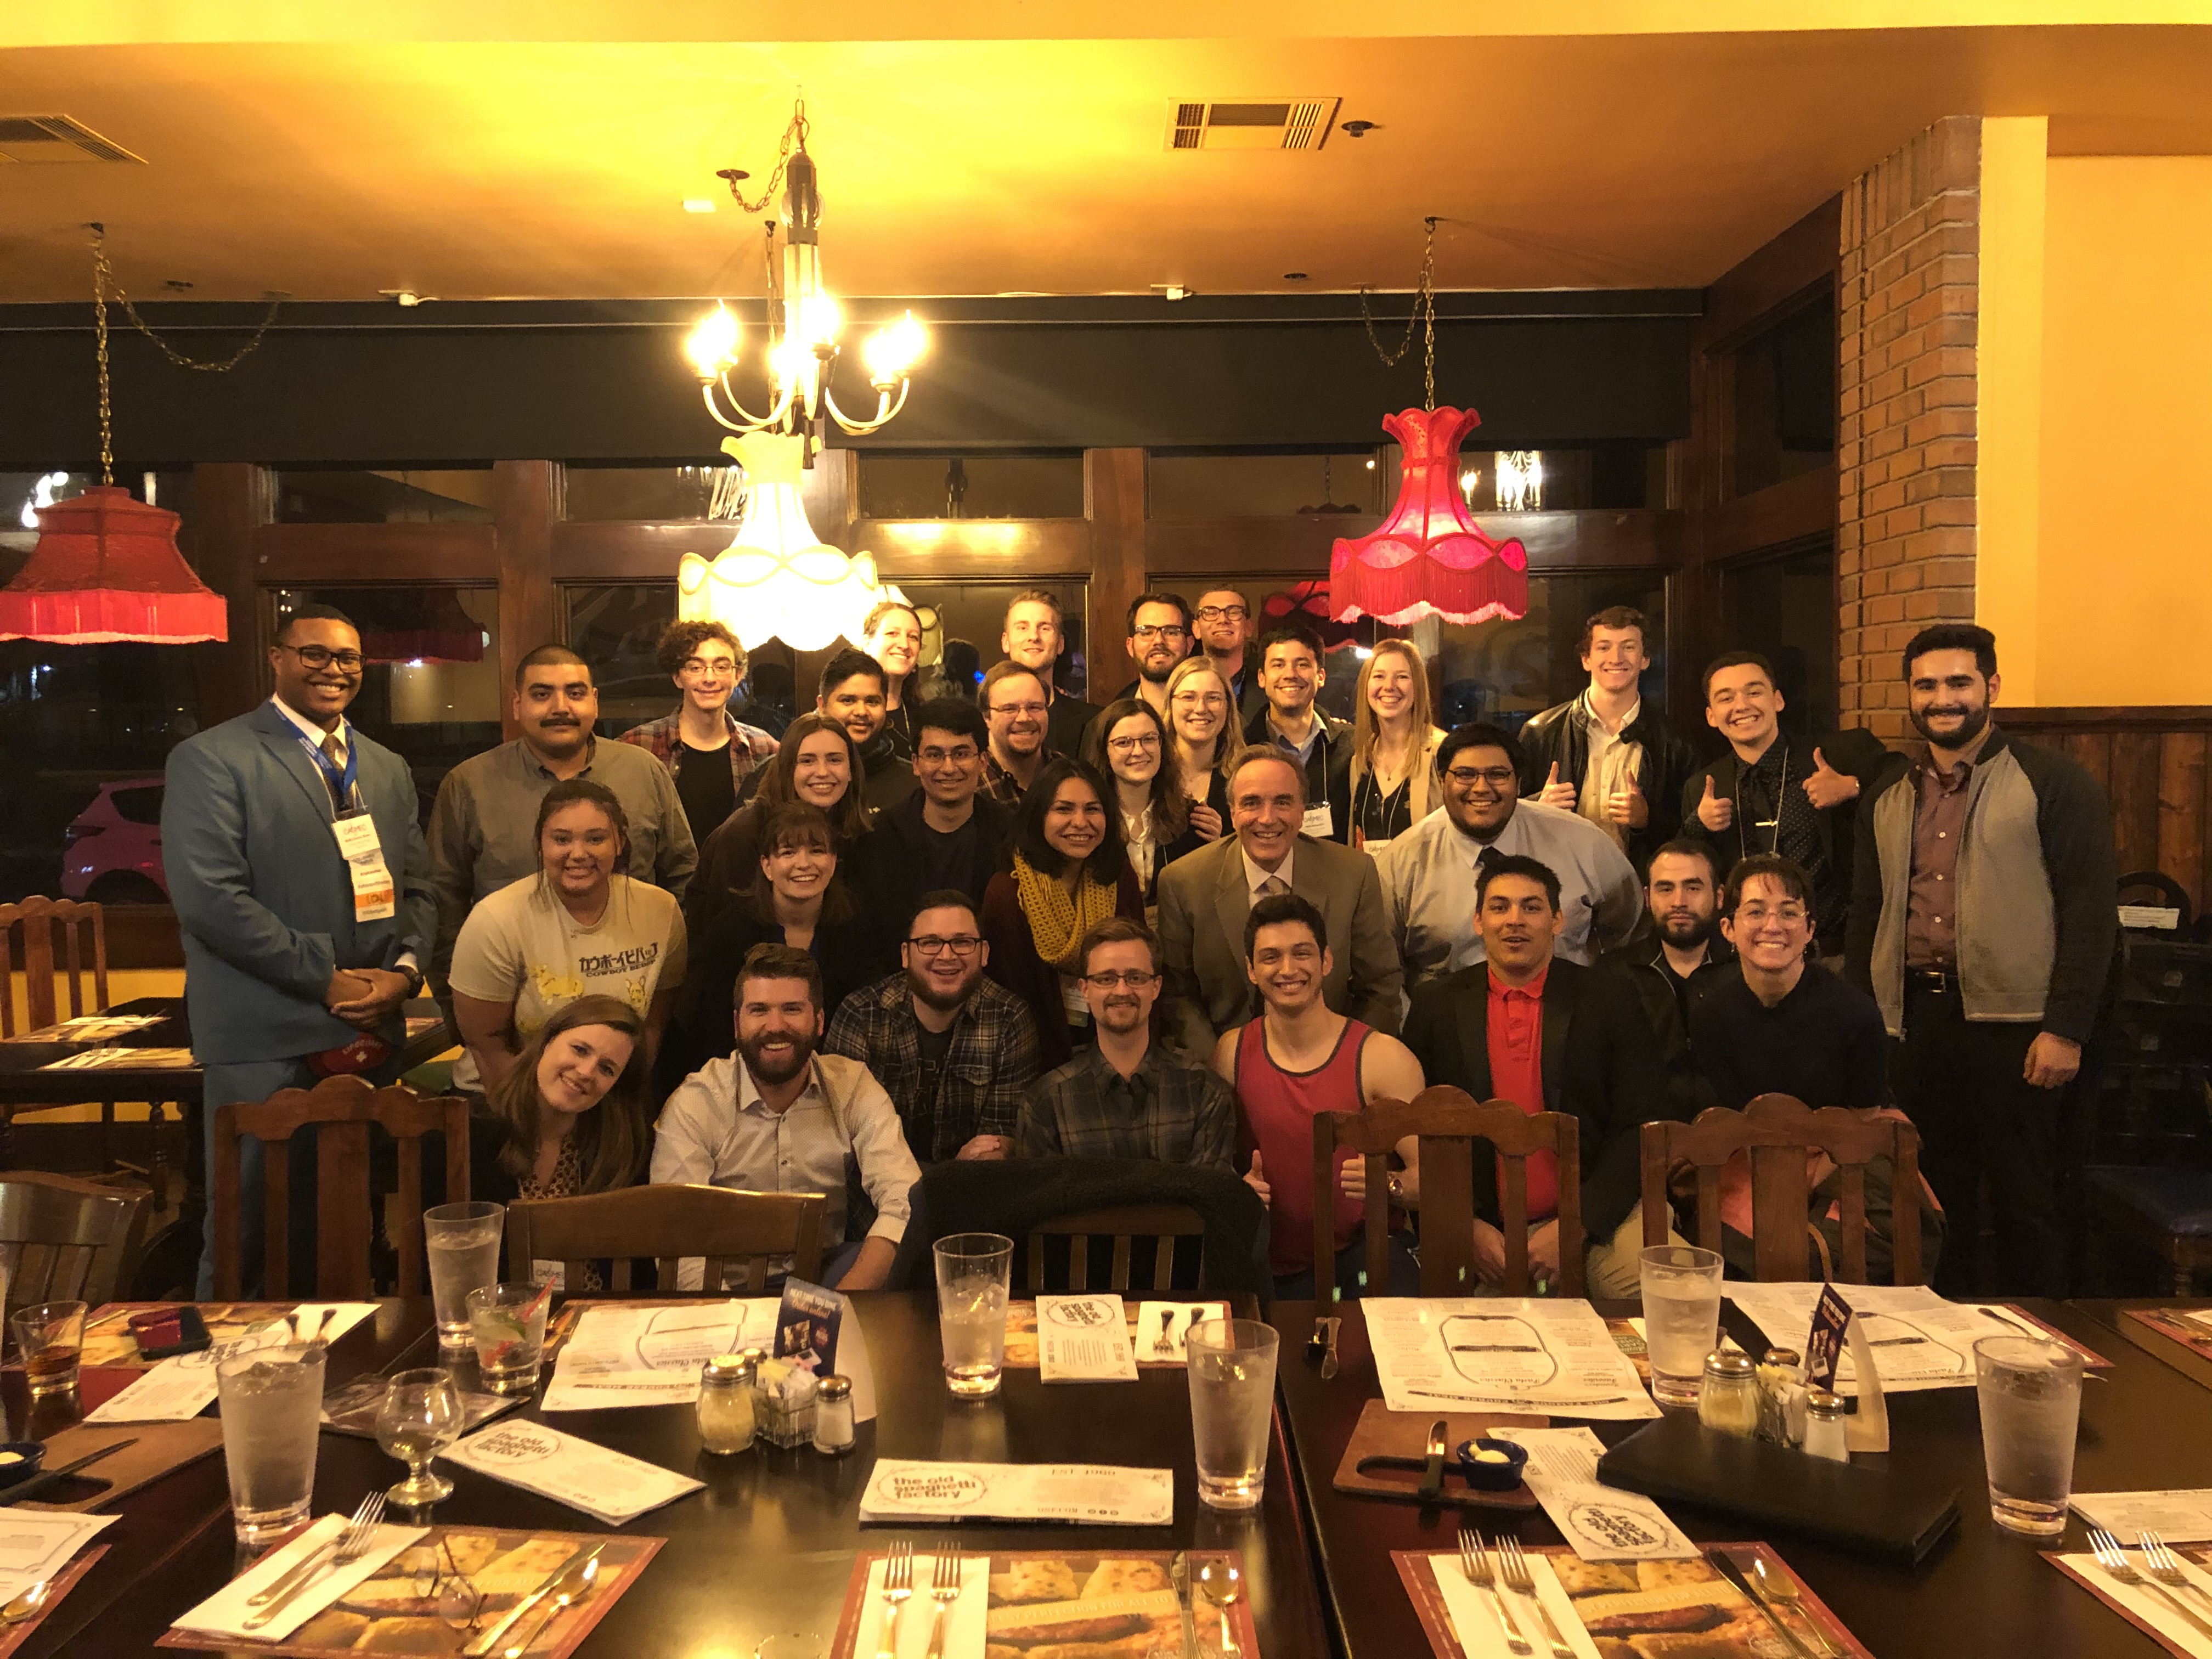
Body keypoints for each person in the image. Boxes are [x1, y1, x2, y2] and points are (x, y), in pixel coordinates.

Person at [163, 603, 435, 1296]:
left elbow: (418, 889)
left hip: (371, 1032)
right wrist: (327, 979)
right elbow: (212, 902)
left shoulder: (385, 766)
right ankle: (222, 1393)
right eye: (314, 654)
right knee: (250, 1234)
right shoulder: (212, 759)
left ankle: (338, 1387)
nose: (333, 670)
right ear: (278, 658)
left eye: (347, 658)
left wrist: (402, 976)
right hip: (265, 1038)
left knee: (347, 1233)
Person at [1848, 623, 2118, 1296]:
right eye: (1927, 685)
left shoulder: (2054, 781)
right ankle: (1952, 1359)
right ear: (1911, 695)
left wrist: (2066, 1028)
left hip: (2020, 1027)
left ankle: (2052, 1356)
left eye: (1959, 682)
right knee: (1937, 1206)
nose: (1943, 698)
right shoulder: (1888, 794)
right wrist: (1863, 1027)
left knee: (2031, 1204)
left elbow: (2090, 914)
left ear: (1991, 687)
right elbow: (1866, 913)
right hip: (1915, 1023)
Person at [1402, 854, 1674, 1297]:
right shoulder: (1436, 1007)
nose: (1515, 921)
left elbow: (1641, 1128)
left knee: (1667, 1293)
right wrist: (1462, 1223)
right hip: (1476, 1227)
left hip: (1597, 1221)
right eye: (1499, 907)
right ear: (1477, 921)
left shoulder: (1610, 1000)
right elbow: (1415, 1129)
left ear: (1558, 920)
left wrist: (1577, 1223)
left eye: (1531, 907)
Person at [429, 644, 696, 1045]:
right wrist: (466, 1016)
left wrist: (666, 1003)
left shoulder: (643, 772)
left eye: (574, 692)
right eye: (542, 694)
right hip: (515, 1034)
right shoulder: (470, 784)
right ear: (517, 704)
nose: (560, 706)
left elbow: (684, 876)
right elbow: (442, 901)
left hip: (632, 1025)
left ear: (594, 701)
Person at [652, 943, 920, 1290]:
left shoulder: (852, 1086)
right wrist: (739, 1326)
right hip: (725, 1284)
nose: (775, 1025)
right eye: (759, 1010)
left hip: (827, 1275)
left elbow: (906, 1199)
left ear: (819, 1021)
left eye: (792, 1009)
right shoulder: (696, 1103)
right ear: (737, 1023)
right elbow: (678, 1240)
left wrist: (839, 1308)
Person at [1213, 894, 1426, 1299]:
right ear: (1252, 970)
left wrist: (1390, 1185)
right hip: (1262, 1266)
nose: (1288, 969)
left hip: (1361, 1263)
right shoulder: (1230, 1053)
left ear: (1326, 961)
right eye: (1271, 957)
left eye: (1302, 953)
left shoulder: (1383, 1058)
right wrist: (1236, 1188)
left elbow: (1435, 1180)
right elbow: (1215, 1167)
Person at [1158, 746, 1402, 1060]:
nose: (1267, 818)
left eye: (1283, 802)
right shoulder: (1183, 882)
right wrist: (1220, 1067)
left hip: (1335, 1058)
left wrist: (1350, 1061)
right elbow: (1178, 997)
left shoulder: (1353, 873)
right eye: (1252, 803)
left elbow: (1380, 983)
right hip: (1224, 1065)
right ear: (1232, 813)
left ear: (1302, 810)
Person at [448, 780, 686, 1098]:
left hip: (607, 1096)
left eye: (596, 839)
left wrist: (620, 1101)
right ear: (539, 844)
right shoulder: (495, 919)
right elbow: (486, 1043)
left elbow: (652, 1027)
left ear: (620, 842)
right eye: (561, 839)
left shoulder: (662, 911)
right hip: (506, 1096)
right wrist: (546, 1121)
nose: (578, 854)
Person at [1376, 723, 1642, 985]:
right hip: (1447, 1023)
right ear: (1443, 780)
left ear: (1518, 783)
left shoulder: (1583, 842)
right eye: (1466, 774)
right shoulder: (1400, 864)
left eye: (1498, 774)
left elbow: (1633, 935)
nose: (1481, 788)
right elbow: (1383, 974)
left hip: (1566, 1015)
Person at [1683, 651, 1891, 963]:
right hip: (1744, 958)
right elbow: (1688, 870)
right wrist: (1699, 824)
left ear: (1778, 700)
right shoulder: (1702, 785)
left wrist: (1853, 787)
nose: (1741, 706)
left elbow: (1905, 774)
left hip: (1833, 956)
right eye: (1726, 698)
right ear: (1712, 716)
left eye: (1754, 692)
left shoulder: (1836, 755)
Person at [664, 800, 880, 1089]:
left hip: (838, 1080)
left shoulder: (859, 928)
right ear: (767, 865)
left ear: (833, 860)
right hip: (742, 1078)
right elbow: (712, 1029)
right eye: (788, 852)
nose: (804, 864)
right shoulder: (731, 931)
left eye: (817, 851)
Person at [825, 890, 1042, 1165]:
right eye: (930, 943)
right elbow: (842, 1137)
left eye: (962, 942)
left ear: (984, 953)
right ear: (905, 955)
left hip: (972, 1193)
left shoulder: (1010, 1018)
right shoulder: (860, 1015)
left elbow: (1000, 1139)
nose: (947, 955)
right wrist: (945, 1173)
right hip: (873, 1193)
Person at [466, 995, 656, 1291]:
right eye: (580, 1050)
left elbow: (640, 1274)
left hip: (598, 1319)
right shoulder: (470, 1134)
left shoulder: (623, 1149)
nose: (586, 1072)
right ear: (547, 1041)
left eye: (607, 1069)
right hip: (502, 1320)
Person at [1019, 918, 1236, 1169]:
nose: (1122, 991)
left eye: (1135, 978)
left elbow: (1208, 1201)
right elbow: (1046, 1206)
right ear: (1084, 989)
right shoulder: (1045, 1104)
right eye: (1106, 979)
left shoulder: (1205, 1091)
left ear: (1156, 987)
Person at [980, 757, 1144, 1068]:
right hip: (1029, 1056)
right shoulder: (1007, 892)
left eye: (1093, 809)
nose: (1080, 822)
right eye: (1064, 809)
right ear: (1038, 816)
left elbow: (1140, 968)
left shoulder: (1117, 875)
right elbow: (1008, 998)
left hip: (1117, 1043)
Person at [1693, 855, 1887, 1111]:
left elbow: (1868, 1125)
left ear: (1810, 929)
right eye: (1756, 912)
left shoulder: (1856, 1016)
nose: (1773, 926)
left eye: (1788, 913)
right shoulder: (1711, 1017)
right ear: (1728, 928)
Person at [1517, 605, 1695, 868]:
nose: (1616, 657)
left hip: (1638, 885)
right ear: (1586, 659)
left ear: (1645, 659)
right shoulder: (1540, 732)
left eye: (1629, 647)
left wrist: (1647, 819)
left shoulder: (1675, 742)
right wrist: (1538, 807)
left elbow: (1690, 830)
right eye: (1604, 647)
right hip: (1557, 883)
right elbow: (1504, 815)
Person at [689, 713, 872, 947]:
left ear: (851, 770)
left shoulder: (853, 829)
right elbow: (721, 939)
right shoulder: (743, 835)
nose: (823, 772)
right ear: (787, 768)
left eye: (835, 760)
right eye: (807, 761)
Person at [848, 698, 1011, 937]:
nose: (948, 768)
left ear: (983, 762)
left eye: (961, 753)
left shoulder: (1011, 834)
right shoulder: (878, 839)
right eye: (934, 755)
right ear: (916, 763)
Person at [1600, 839, 1735, 1119]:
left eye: (1693, 887)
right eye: (1666, 888)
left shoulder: (1746, 971)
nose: (1679, 902)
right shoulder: (1613, 974)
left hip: (1733, 1139)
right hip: (1642, 1138)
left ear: (1720, 896)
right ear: (1648, 898)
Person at [617, 620, 780, 846]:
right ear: (677, 677)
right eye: (695, 667)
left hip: (741, 880)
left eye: (721, 667)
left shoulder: (765, 749)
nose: (709, 678)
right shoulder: (636, 746)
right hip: (658, 882)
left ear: (738, 675)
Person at [1083, 697, 1205, 910]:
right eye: (1124, 743)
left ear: (1161, 745)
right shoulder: (1088, 820)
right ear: (1105, 751)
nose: (1139, 751)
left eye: (1149, 739)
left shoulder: (1192, 819)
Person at [1242, 620, 1353, 843]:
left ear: (1321, 676)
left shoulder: (1351, 746)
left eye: (1301, 664)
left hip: (1334, 874)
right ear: (1262, 678)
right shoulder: (1241, 749)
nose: (1290, 674)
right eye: (1278, 665)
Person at [1348, 638, 1448, 857]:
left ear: (1418, 686)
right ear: (1367, 685)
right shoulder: (1360, 759)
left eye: (1402, 677)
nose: (1389, 686)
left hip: (1425, 889)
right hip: (1373, 889)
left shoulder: (1442, 753)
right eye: (1379, 677)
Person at [1001, 589, 1099, 759]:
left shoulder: (1095, 723)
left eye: (1045, 628)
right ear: (1006, 642)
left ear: (1060, 644)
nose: (1034, 636)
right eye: (1022, 628)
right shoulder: (979, 722)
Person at [817, 647, 916, 812]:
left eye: (872, 701)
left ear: (885, 706)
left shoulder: (914, 784)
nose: (861, 712)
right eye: (848, 700)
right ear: (822, 706)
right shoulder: (788, 773)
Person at [1164, 656, 1232, 840]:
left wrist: (1223, 844)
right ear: (1170, 704)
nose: (1201, 708)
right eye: (1188, 697)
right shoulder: (1151, 774)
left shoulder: (1246, 776)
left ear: (1228, 706)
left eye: (1213, 698)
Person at [978, 659, 1052, 806]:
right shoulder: (969, 785)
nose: (1024, 718)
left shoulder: (1071, 777)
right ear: (986, 717)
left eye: (1034, 707)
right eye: (1009, 709)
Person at [1107, 591, 1193, 717]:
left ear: (1189, 644)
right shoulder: (1111, 720)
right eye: (1146, 632)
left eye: (1171, 632)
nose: (1159, 641)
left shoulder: (1213, 717)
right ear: (1131, 646)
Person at [862, 598, 930, 757]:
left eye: (913, 637)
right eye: (892, 633)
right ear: (867, 644)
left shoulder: (923, 717)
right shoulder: (845, 712)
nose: (904, 645)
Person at [1192, 587, 1267, 729]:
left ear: (1249, 627)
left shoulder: (1269, 692)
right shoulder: (1180, 690)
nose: (1223, 620)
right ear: (1196, 629)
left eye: (1234, 612)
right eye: (1210, 612)